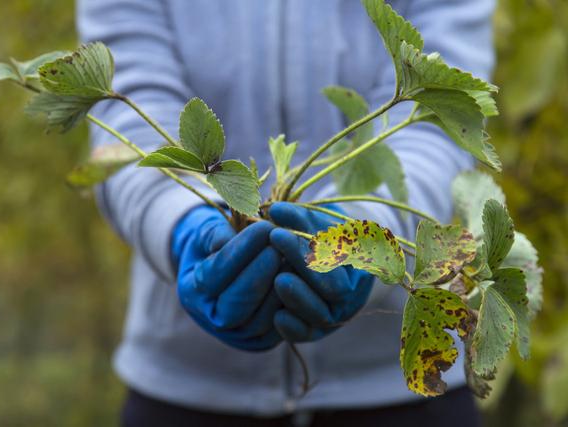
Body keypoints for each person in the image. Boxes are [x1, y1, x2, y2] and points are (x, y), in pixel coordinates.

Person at [77, 0, 495, 426]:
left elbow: (442, 117)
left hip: (407, 392)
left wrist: (360, 236)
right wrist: (180, 228)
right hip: (184, 389)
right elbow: (129, 114)